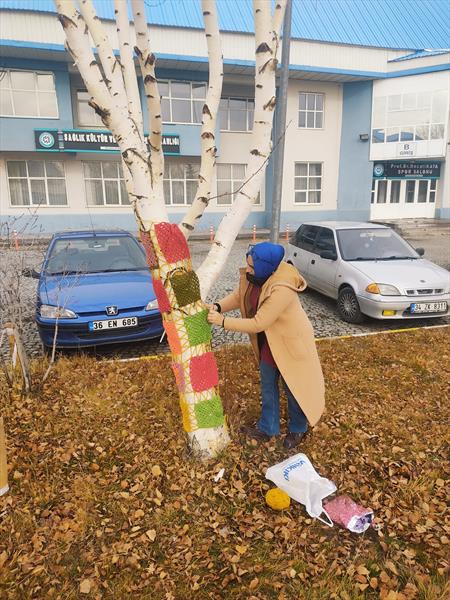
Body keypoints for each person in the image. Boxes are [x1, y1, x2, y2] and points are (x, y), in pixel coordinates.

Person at [207, 241, 325, 449]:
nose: (248, 270)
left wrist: (222, 322)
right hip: (269, 344)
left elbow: (258, 323)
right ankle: (268, 427)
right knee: (268, 385)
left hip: (290, 344)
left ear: (264, 267)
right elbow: (238, 297)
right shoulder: (256, 278)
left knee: (293, 388)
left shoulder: (282, 288)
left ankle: (298, 428)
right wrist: (218, 306)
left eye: (252, 266)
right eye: (248, 264)